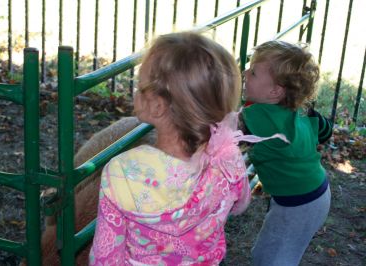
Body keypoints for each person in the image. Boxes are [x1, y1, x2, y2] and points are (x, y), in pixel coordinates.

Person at [88, 32, 282, 265]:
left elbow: (105, 255)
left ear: (158, 106)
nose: (136, 92)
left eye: (140, 88)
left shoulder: (123, 171)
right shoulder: (227, 158)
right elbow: (240, 205)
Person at [240, 40, 333, 266]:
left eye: (252, 72)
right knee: (279, 253)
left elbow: (225, 129)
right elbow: (325, 131)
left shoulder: (262, 114)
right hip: (315, 193)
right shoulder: (299, 110)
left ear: (275, 91)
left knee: (270, 259)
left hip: (297, 204)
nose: (244, 72)